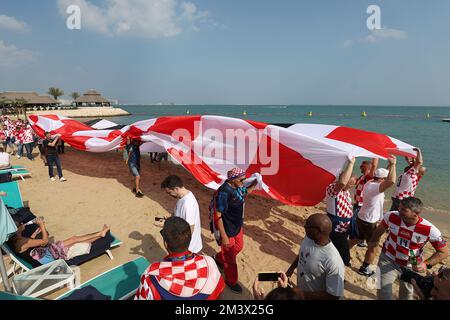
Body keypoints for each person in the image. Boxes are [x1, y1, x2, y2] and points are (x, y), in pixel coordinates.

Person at [368, 197, 448, 300]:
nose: (398, 211)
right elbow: (379, 230)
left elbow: (444, 252)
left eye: (403, 210)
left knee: (407, 295)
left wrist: (426, 264)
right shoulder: (391, 216)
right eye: (399, 208)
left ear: (416, 213)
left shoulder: (430, 230)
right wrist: (372, 242)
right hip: (387, 258)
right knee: (383, 291)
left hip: (411, 264)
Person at [135, 216, 225, 300]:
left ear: (166, 244)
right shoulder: (209, 263)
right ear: (189, 238)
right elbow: (219, 293)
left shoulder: (150, 276)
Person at [213, 167, 258, 293]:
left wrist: (255, 183)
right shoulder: (224, 193)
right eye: (242, 179)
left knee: (238, 247)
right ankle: (231, 281)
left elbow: (245, 193)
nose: (244, 182)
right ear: (233, 180)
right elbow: (218, 215)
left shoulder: (238, 187)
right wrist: (224, 236)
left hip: (237, 226)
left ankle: (218, 258)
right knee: (231, 258)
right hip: (227, 230)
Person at [356, 156, 396, 277]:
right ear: (382, 179)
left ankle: (342, 253)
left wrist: (389, 165)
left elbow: (386, 177)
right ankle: (365, 268)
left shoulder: (370, 182)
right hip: (369, 221)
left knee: (357, 238)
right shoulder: (376, 188)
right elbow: (391, 181)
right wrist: (394, 164)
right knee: (373, 246)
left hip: (361, 217)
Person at [10, 217, 111, 265]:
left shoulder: (17, 239)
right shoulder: (21, 241)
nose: (23, 224)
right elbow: (44, 241)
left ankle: (100, 234)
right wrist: (42, 225)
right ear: (17, 228)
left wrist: (35, 233)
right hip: (51, 256)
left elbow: (29, 243)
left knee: (74, 239)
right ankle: (100, 235)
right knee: (76, 242)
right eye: (20, 224)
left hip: (47, 252)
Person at [294, 213, 345, 299]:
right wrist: (290, 270)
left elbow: (333, 295)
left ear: (318, 231)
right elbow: (302, 254)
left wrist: (302, 294)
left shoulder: (333, 260)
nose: (304, 226)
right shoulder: (309, 238)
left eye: (308, 225)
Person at [325, 157, 356, 266]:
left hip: (344, 226)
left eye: (353, 184)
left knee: (339, 248)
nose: (352, 186)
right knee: (340, 251)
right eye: (350, 183)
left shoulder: (346, 191)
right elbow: (342, 182)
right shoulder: (332, 189)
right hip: (336, 227)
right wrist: (351, 163)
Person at [160, 175, 203, 253]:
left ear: (176, 189)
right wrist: (171, 217)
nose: (169, 195)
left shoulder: (188, 205)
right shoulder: (182, 197)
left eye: (169, 192)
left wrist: (167, 226)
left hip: (189, 248)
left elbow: (190, 229)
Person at [352, 158, 379, 247]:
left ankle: (361, 240)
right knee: (356, 222)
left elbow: (374, 165)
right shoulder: (362, 177)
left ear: (368, 167)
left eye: (362, 166)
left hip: (361, 204)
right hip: (357, 203)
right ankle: (359, 239)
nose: (360, 167)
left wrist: (376, 154)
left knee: (357, 222)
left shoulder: (369, 177)